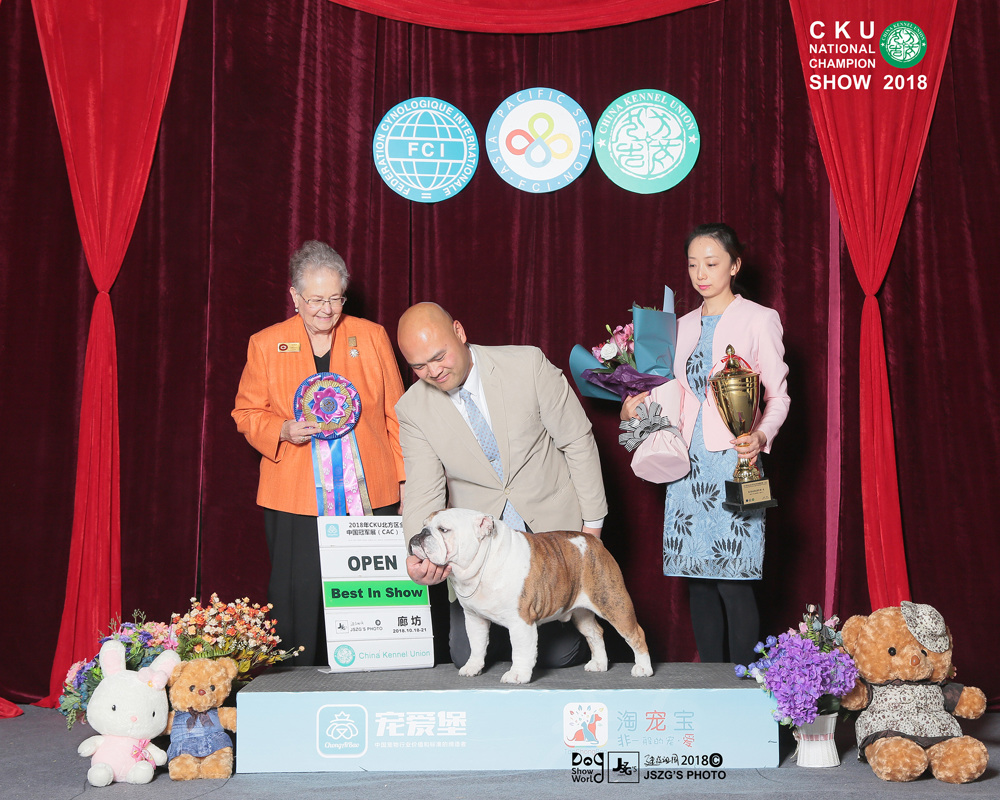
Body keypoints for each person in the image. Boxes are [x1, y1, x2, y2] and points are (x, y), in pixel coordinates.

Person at [395, 302, 607, 670]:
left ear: (459, 332)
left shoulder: (528, 364)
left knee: (559, 654)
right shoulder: (412, 409)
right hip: (478, 549)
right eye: (419, 366)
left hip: (550, 533)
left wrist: (591, 531)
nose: (433, 371)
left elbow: (577, 441)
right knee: (465, 656)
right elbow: (422, 490)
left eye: (439, 357)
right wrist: (419, 554)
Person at [621, 223, 789, 666]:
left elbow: (779, 396)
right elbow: (670, 393)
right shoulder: (679, 326)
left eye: (712, 263)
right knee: (698, 580)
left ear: (734, 266)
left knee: (735, 580)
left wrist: (762, 435)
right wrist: (633, 409)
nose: (701, 273)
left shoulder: (760, 319)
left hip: (736, 462)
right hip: (687, 467)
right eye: (693, 264)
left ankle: (744, 686)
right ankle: (709, 682)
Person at [232, 241, 405, 665]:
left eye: (335, 299)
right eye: (316, 300)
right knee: (299, 593)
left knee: (370, 594)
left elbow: (399, 413)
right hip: (294, 494)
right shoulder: (266, 343)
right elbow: (246, 412)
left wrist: (405, 481)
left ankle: (378, 674)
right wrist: (282, 429)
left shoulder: (372, 336)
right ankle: (298, 678)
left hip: (371, 490)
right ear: (294, 296)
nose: (327, 310)